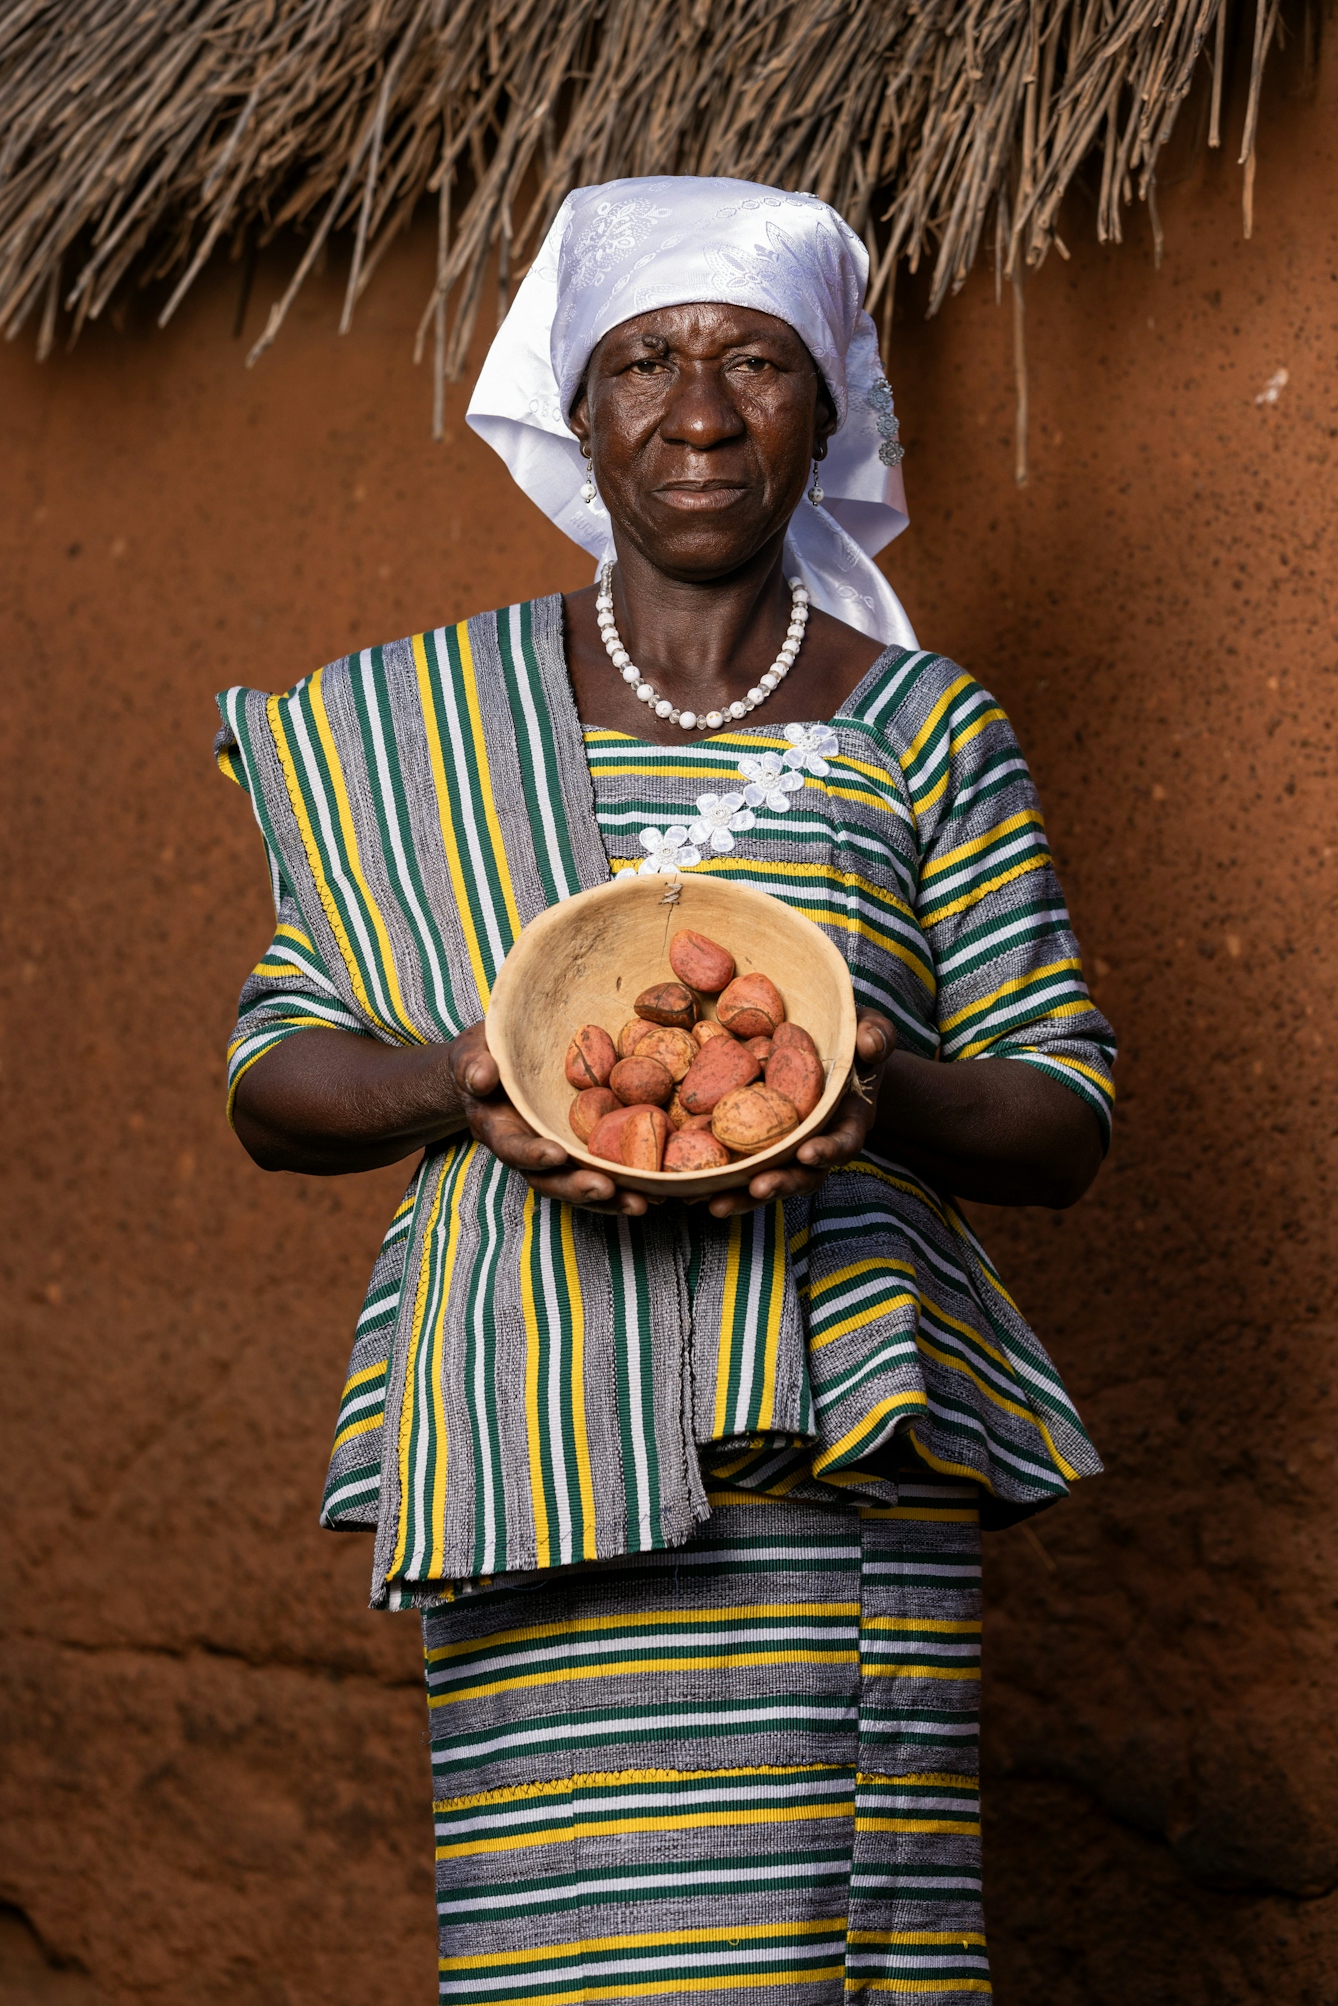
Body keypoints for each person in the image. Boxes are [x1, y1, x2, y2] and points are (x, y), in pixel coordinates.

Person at [216, 177, 1114, 2005]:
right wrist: (460, 1081)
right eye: (645, 362)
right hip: (527, 1447)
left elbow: (1063, 1109)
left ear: (829, 404)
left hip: (828, 1470)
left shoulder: (923, 726)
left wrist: (877, 1088)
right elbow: (270, 1075)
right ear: (575, 401)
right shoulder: (417, 725)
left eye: (755, 365)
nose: (698, 414)